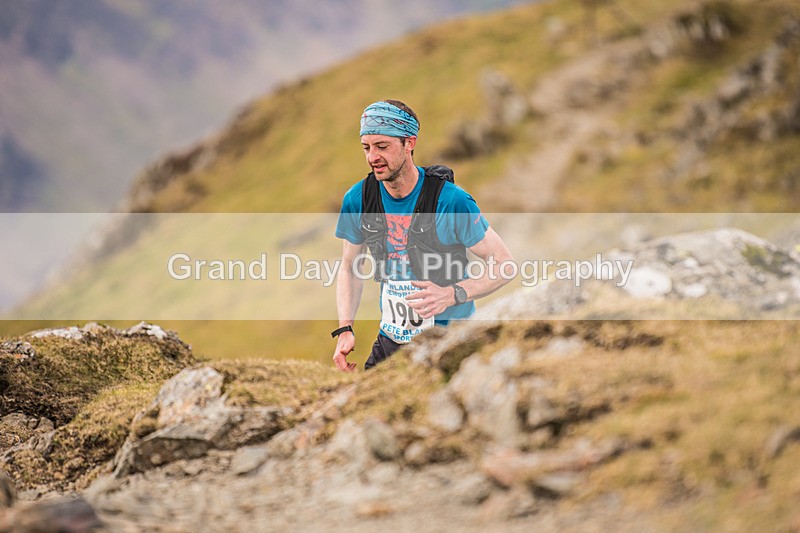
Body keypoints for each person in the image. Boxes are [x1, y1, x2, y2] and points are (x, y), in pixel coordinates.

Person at [332, 99, 513, 371]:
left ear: (409, 143)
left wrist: (453, 294)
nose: (372, 157)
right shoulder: (358, 199)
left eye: (382, 146)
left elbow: (504, 264)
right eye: (366, 148)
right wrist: (345, 329)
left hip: (450, 339)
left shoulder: (451, 201)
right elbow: (350, 267)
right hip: (392, 340)